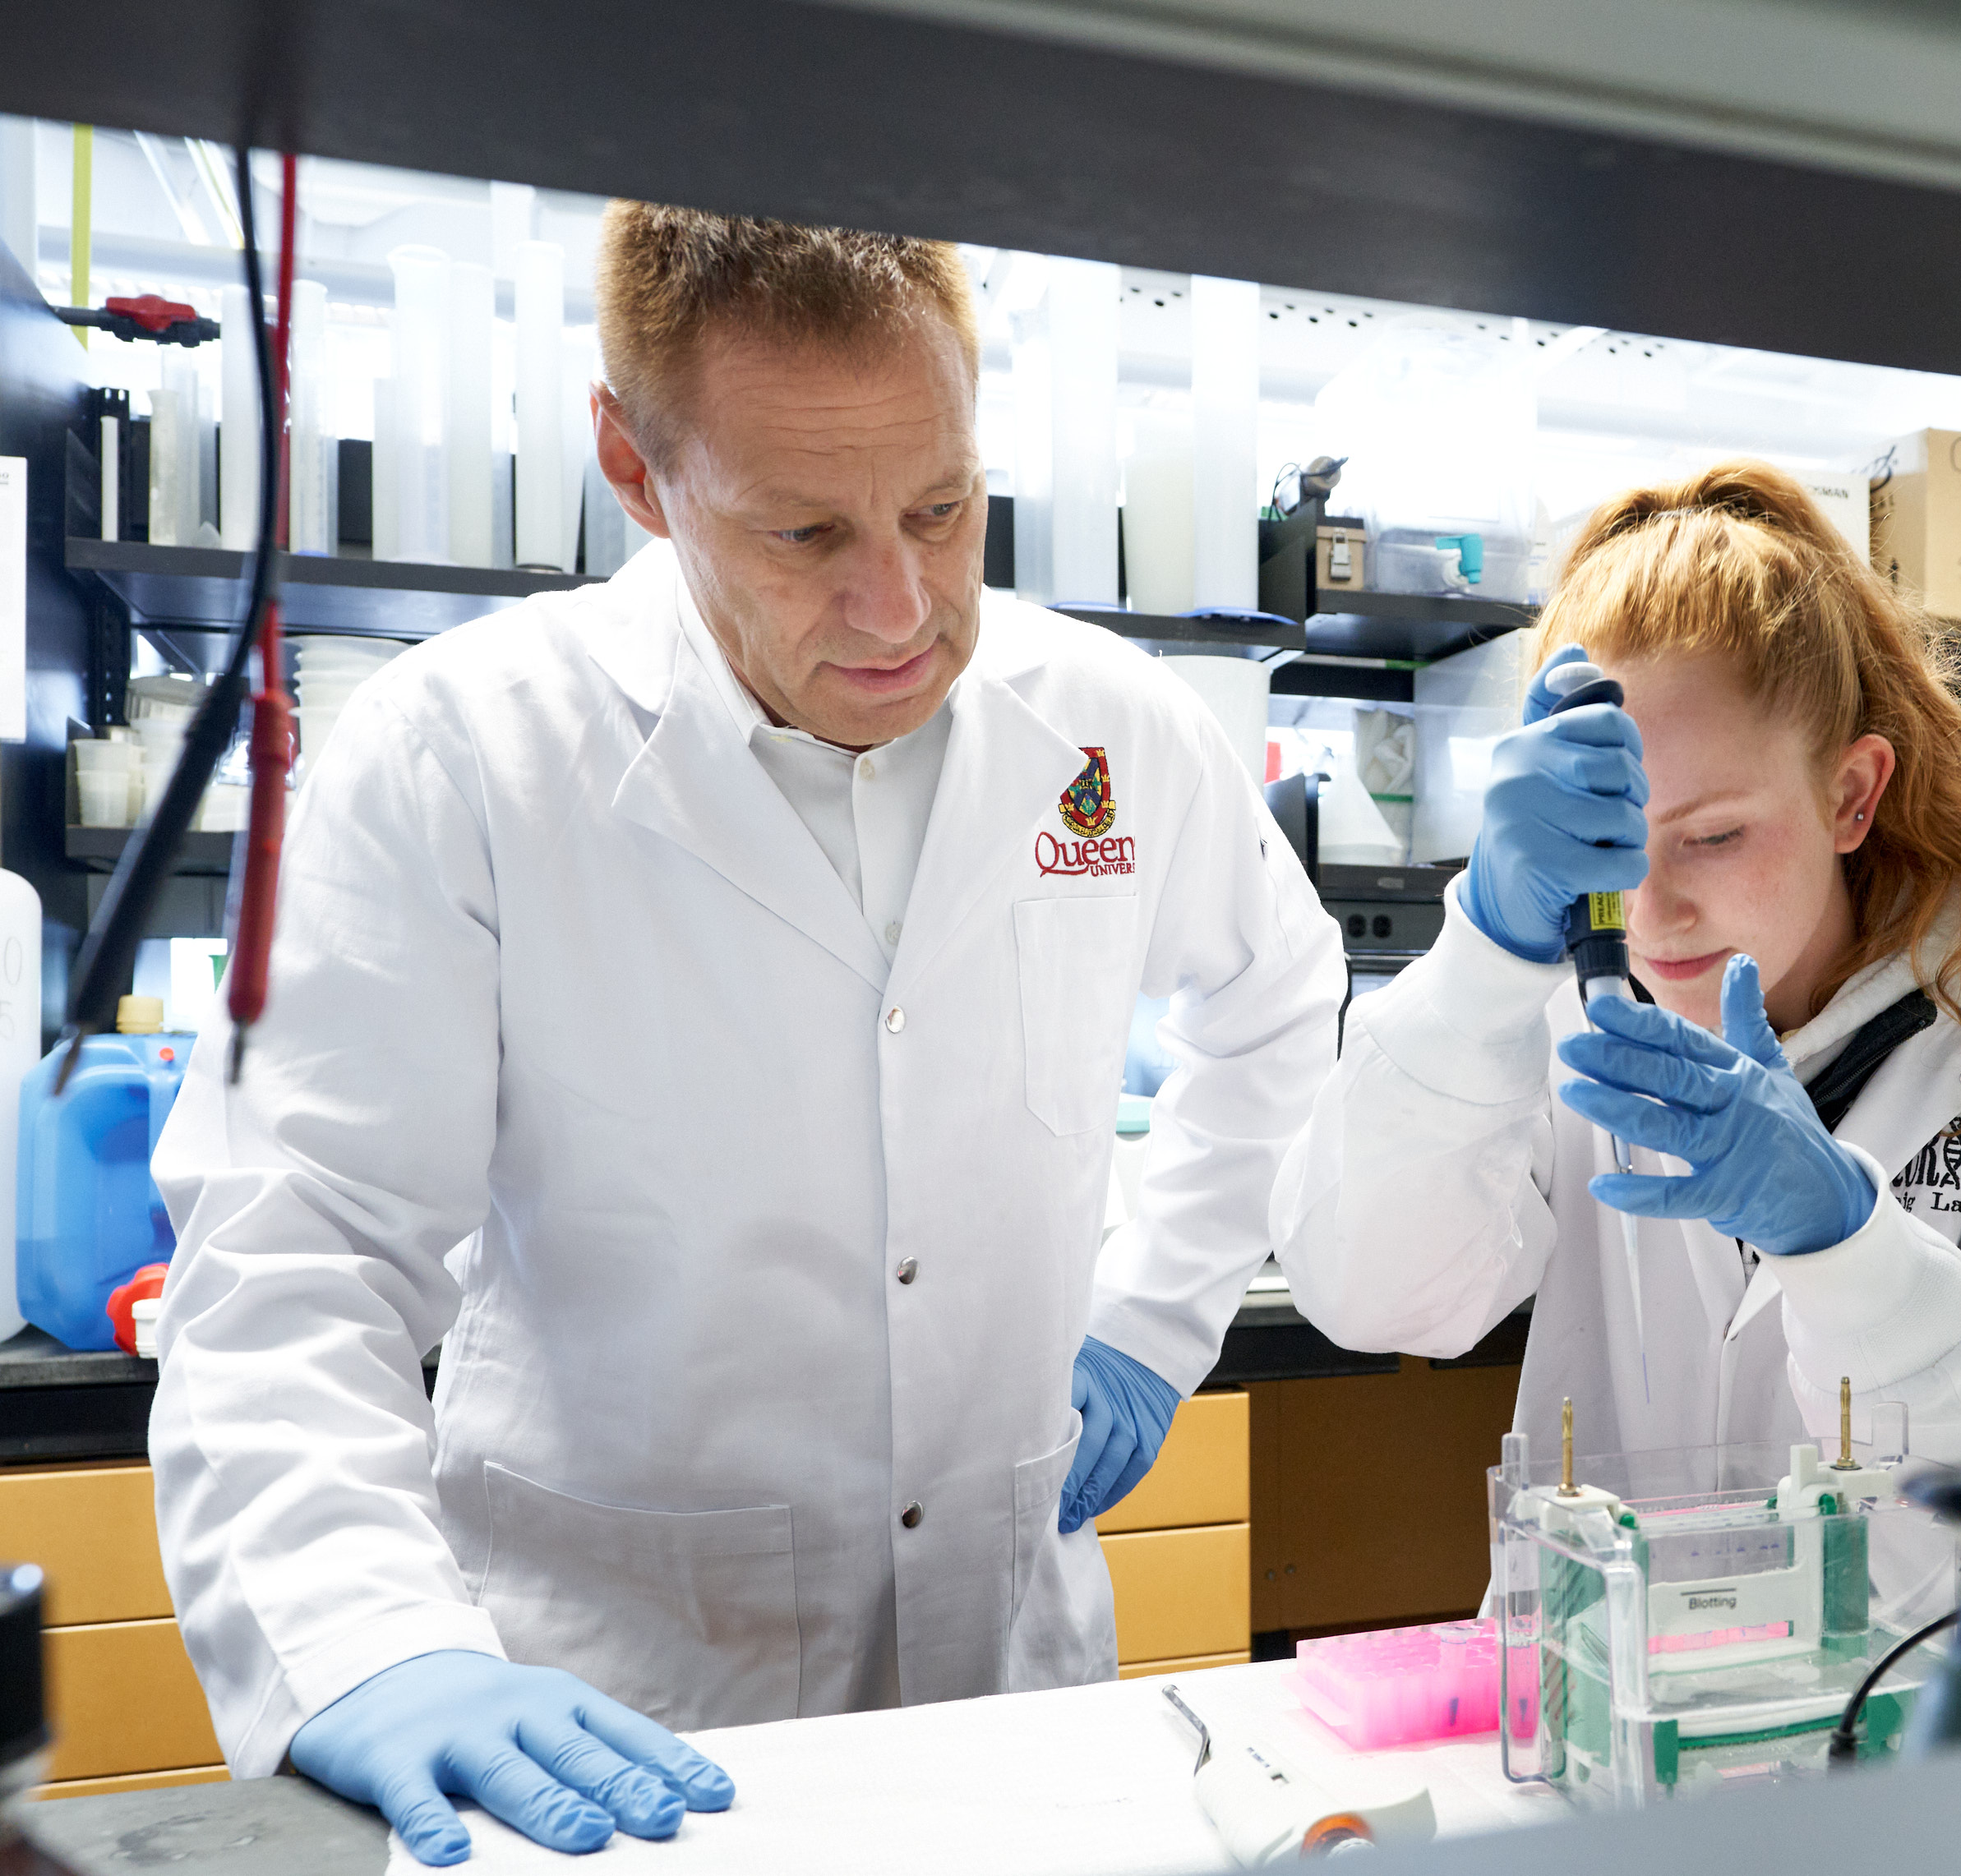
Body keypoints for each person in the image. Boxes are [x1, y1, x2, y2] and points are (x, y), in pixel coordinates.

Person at [147, 206, 1342, 1865]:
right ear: (634, 470)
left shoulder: (1108, 727)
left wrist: (1153, 1313)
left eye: (943, 507)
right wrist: (370, 1642)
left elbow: (1279, 998)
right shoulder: (459, 756)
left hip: (1018, 1707)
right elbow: (295, 1257)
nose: (903, 603)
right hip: (606, 1733)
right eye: (801, 534)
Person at [1274, 460, 1961, 1498]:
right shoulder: (1555, 1011)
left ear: (1851, 795)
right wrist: (1484, 959)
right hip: (1606, 1646)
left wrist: (1849, 1249)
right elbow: (1375, 1299)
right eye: (1608, 841)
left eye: (1715, 835)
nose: (1649, 910)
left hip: (1908, 1659)